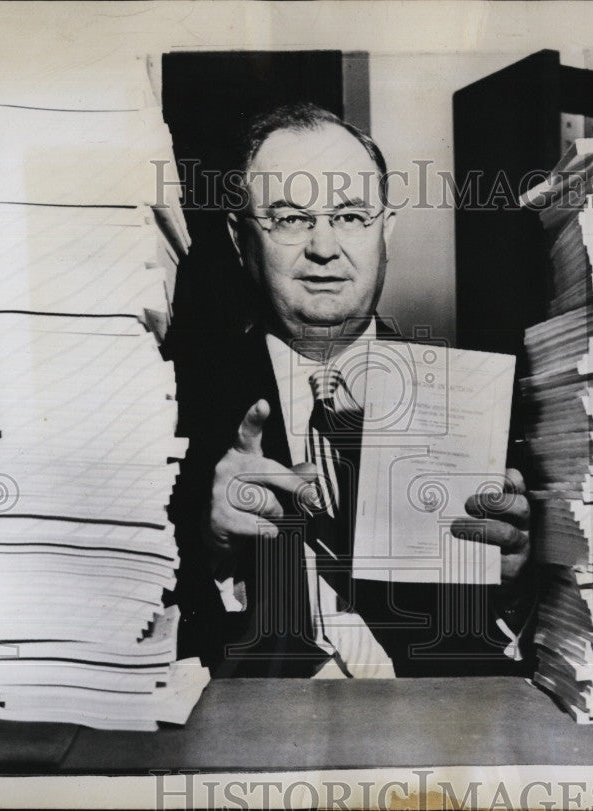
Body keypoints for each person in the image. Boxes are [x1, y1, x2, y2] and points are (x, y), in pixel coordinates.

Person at [170, 103, 536, 678]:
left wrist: (514, 591)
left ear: (385, 230)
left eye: (350, 217)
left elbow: (525, 650)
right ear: (241, 240)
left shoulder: (482, 405)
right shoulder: (168, 408)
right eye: (290, 219)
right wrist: (210, 552)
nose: (323, 246)